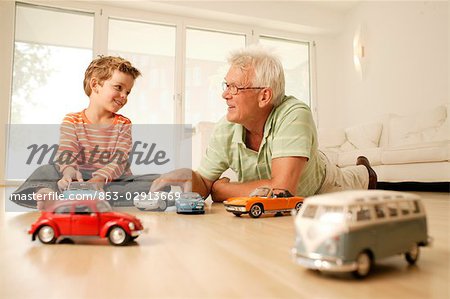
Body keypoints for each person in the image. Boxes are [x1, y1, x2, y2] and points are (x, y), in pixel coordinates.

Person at [151, 45, 377, 201]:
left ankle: (364, 170)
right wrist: (187, 176)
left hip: (325, 185)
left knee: (357, 180)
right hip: (292, 190)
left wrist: (222, 189)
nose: (225, 95)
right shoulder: (226, 128)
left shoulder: (295, 114)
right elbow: (204, 183)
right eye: (226, 85)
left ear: (264, 96)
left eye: (235, 87)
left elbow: (282, 190)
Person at [10, 56, 161, 210]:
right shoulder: (72, 120)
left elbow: (119, 161)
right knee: (46, 170)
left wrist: (99, 179)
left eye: (128, 92)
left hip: (110, 182)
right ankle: (50, 194)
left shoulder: (123, 124)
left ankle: (80, 198)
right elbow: (67, 151)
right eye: (118, 87)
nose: (124, 96)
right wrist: (69, 171)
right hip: (78, 180)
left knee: (155, 181)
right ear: (95, 85)